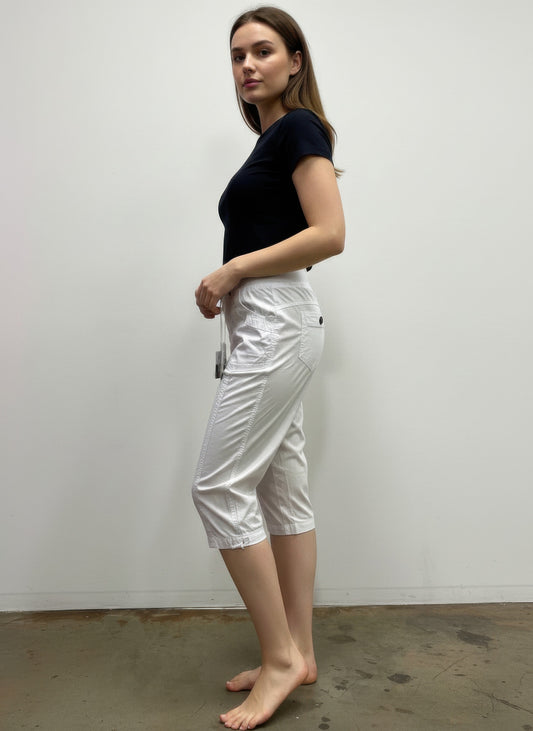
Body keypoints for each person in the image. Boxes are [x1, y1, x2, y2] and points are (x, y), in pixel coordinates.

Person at [192, 6, 345, 729]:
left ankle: (280, 657)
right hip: (268, 321)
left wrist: (232, 270)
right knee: (282, 489)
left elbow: (330, 233)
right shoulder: (273, 140)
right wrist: (234, 287)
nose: (247, 65)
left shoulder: (299, 128)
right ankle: (299, 653)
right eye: (237, 56)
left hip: (277, 321)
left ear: (295, 60)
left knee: (218, 485)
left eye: (262, 51)